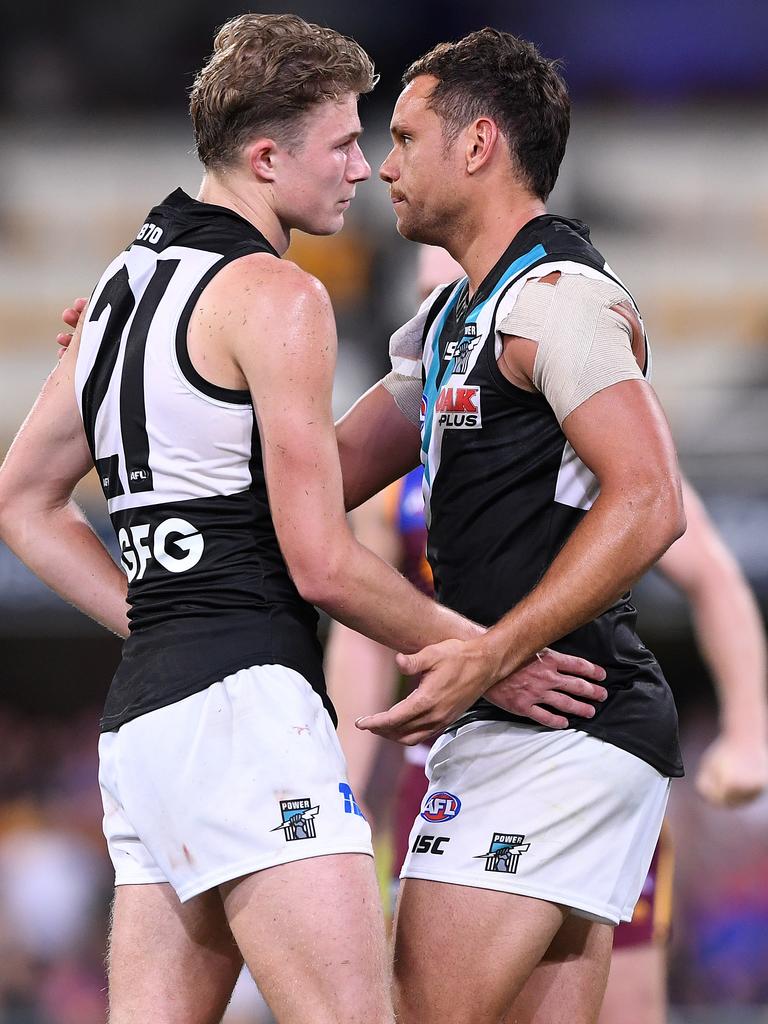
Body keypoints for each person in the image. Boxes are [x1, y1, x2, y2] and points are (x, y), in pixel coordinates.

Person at [0, 15, 611, 1024]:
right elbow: (322, 560)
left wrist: (156, 620)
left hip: (144, 731)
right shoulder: (278, 297)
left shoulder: (114, 291)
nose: (364, 169)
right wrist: (490, 651)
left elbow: (23, 500)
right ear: (266, 156)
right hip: (247, 713)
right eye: (340, 144)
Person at [329, 30, 691, 1023]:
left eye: (403, 138)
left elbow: (651, 498)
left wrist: (492, 651)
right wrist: (147, 364)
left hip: (556, 732)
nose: (382, 167)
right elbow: (319, 474)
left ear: (480, 143)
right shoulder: (457, 323)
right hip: (550, 731)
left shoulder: (560, 301)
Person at [328, 388, 768, 1024]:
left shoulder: (581, 412)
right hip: (445, 770)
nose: (443, 290)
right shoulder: (398, 463)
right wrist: (346, 778)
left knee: (619, 1005)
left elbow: (709, 571)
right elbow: (363, 631)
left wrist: (748, 732)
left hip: (582, 742)